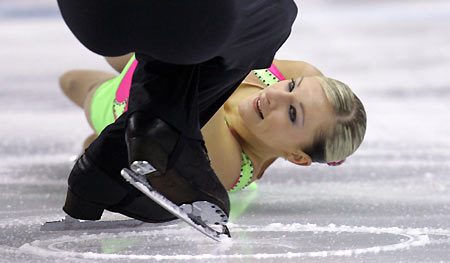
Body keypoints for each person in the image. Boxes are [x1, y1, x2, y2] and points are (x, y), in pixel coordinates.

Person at [60, 54, 367, 196]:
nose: (274, 96)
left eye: (292, 114)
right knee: (106, 28)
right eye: (290, 87)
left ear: (298, 156)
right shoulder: (305, 72)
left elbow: (199, 91)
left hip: (126, 104)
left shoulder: (228, 169)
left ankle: (105, 144)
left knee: (72, 81)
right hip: (161, 64)